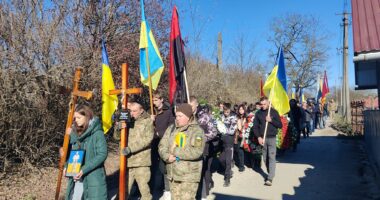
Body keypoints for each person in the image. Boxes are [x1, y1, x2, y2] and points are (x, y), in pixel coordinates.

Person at [158, 103, 205, 200]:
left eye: (180, 116)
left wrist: (174, 150)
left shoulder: (197, 131)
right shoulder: (171, 128)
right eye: (176, 116)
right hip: (173, 175)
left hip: (188, 177)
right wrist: (167, 156)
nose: (177, 118)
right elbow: (162, 145)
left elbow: (197, 151)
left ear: (188, 117)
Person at [64, 105, 108, 200]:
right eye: (75, 118)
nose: (76, 120)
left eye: (79, 117)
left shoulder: (97, 133)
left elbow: (102, 154)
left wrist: (84, 169)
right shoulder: (74, 132)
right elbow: (72, 152)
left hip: (93, 176)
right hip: (76, 177)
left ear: (87, 116)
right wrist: (66, 166)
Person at [121, 100, 154, 200]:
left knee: (144, 191)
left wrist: (131, 148)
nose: (132, 113)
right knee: (124, 189)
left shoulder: (147, 121)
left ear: (141, 110)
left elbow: (148, 139)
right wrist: (119, 128)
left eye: (134, 111)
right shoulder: (127, 121)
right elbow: (118, 137)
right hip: (127, 161)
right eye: (130, 111)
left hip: (141, 162)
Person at [190, 97, 218, 200]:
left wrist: (200, 139)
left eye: (191, 106)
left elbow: (213, 132)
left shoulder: (205, 116)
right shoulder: (188, 116)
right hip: (190, 149)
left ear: (196, 105)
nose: (189, 108)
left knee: (201, 172)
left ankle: (203, 195)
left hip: (203, 148)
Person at [150, 92, 175, 200]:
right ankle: (154, 187)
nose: (153, 103)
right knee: (153, 166)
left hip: (164, 143)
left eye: (155, 100)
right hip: (153, 144)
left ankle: (167, 189)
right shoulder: (150, 111)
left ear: (161, 100)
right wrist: (150, 121)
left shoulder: (168, 112)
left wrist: (158, 133)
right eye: (152, 100)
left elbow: (171, 128)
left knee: (164, 166)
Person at [253, 97, 282, 186]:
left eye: (264, 104)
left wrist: (271, 120)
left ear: (268, 103)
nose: (262, 106)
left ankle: (270, 178)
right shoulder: (258, 113)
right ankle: (271, 172)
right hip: (263, 139)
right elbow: (255, 127)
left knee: (272, 157)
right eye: (261, 104)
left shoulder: (274, 112)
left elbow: (280, 125)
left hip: (272, 138)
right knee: (265, 158)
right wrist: (258, 137)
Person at [219, 103, 237, 187]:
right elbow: (218, 124)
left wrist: (224, 129)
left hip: (229, 141)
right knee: (221, 159)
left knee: (228, 161)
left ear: (230, 110)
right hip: (223, 142)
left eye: (228, 111)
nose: (226, 112)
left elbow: (232, 130)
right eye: (225, 111)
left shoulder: (233, 118)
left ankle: (227, 179)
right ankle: (229, 171)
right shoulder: (221, 116)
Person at [235, 104, 247, 172]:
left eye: (242, 109)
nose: (241, 111)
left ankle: (242, 165)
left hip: (245, 135)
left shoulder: (247, 117)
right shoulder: (237, 117)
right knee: (239, 150)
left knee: (241, 150)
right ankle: (241, 165)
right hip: (238, 135)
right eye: (239, 109)